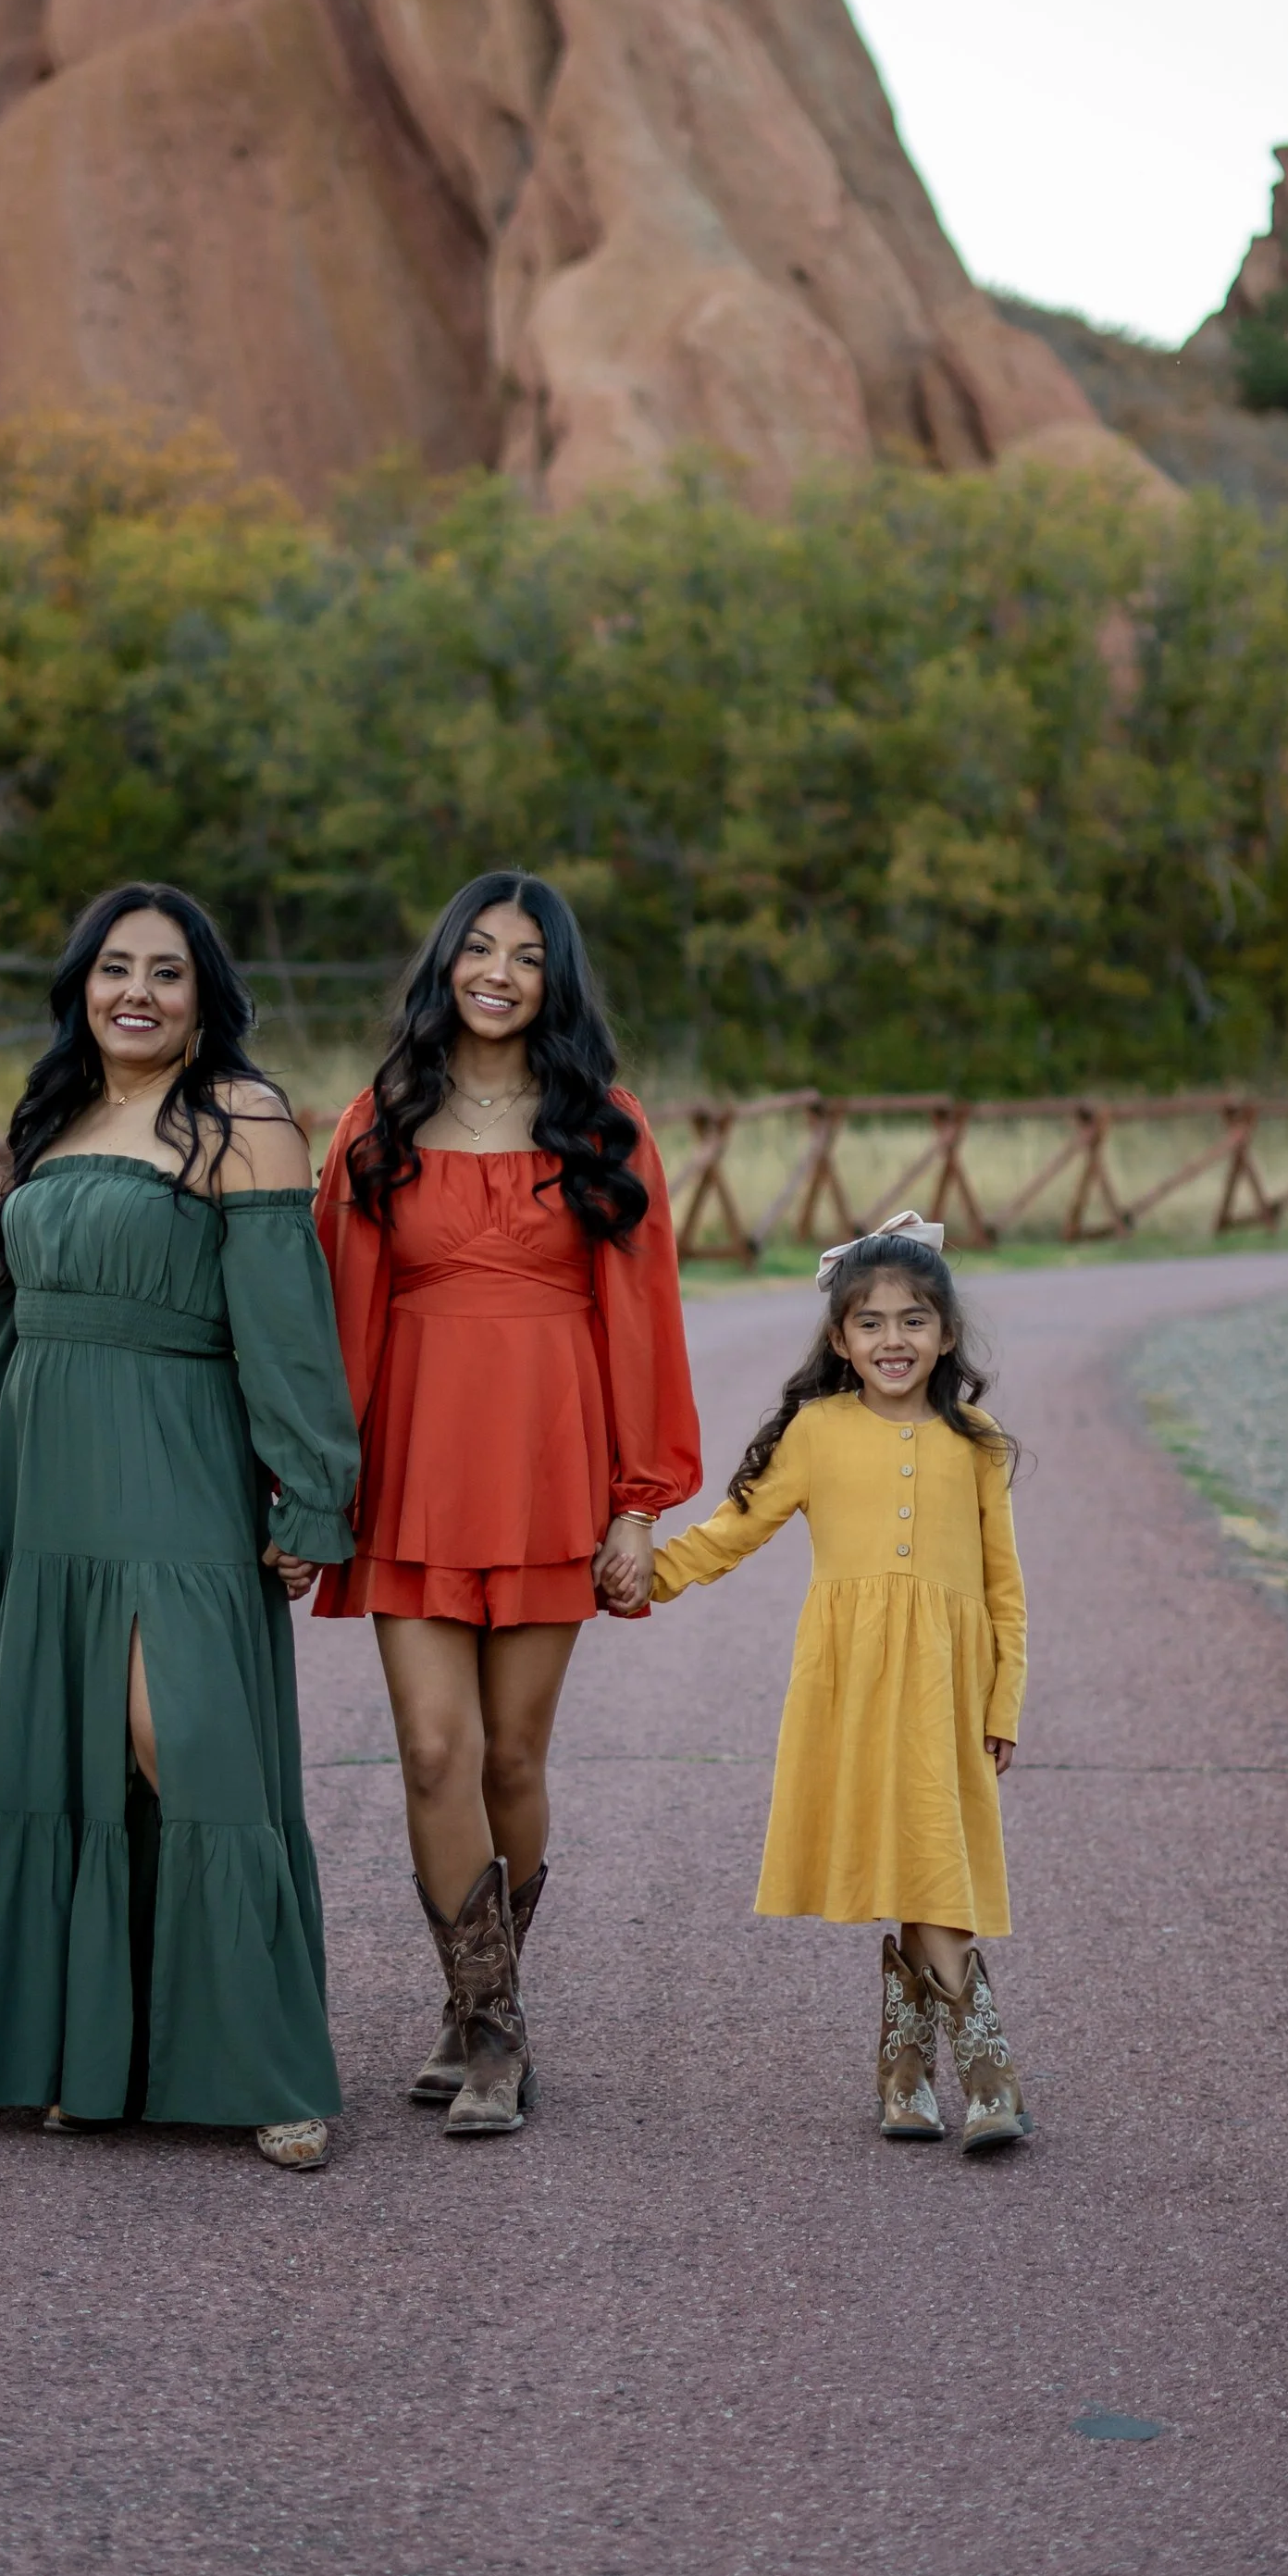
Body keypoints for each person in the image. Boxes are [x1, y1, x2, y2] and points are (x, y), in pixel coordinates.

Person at [0, 884, 359, 2172]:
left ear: (206, 994)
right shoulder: (45, 1118)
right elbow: (0, 1325)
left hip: (178, 1472)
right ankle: (82, 2054)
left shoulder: (243, 1119)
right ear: (81, 986)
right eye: (115, 969)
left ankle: (266, 2062)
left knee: (187, 1742)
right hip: (48, 1490)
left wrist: (313, 1488)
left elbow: (284, 1321)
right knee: (69, 1760)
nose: (138, 992)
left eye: (167, 971)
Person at [315, 873, 701, 2138]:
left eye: (525, 956)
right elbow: (337, 1312)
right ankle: (488, 2024)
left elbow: (643, 1320)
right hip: (411, 1465)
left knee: (515, 1753)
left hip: (550, 1466)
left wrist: (639, 1503)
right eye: (476, 948)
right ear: (444, 965)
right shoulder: (378, 1121)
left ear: (556, 981)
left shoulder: (607, 1124)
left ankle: (482, 2007)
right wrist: (318, 1480)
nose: (496, 971)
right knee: (434, 1749)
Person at [648, 1210, 1031, 2156]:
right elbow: (732, 1531)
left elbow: (1003, 1590)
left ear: (944, 1335)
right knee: (910, 1861)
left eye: (912, 1321)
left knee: (936, 1861)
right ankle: (916, 2075)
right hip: (852, 1685)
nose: (891, 1340)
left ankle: (968, 2077)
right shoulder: (815, 1431)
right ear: (838, 1339)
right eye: (869, 1322)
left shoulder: (974, 1439)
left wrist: (1002, 1701)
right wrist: (643, 1577)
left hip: (948, 1688)